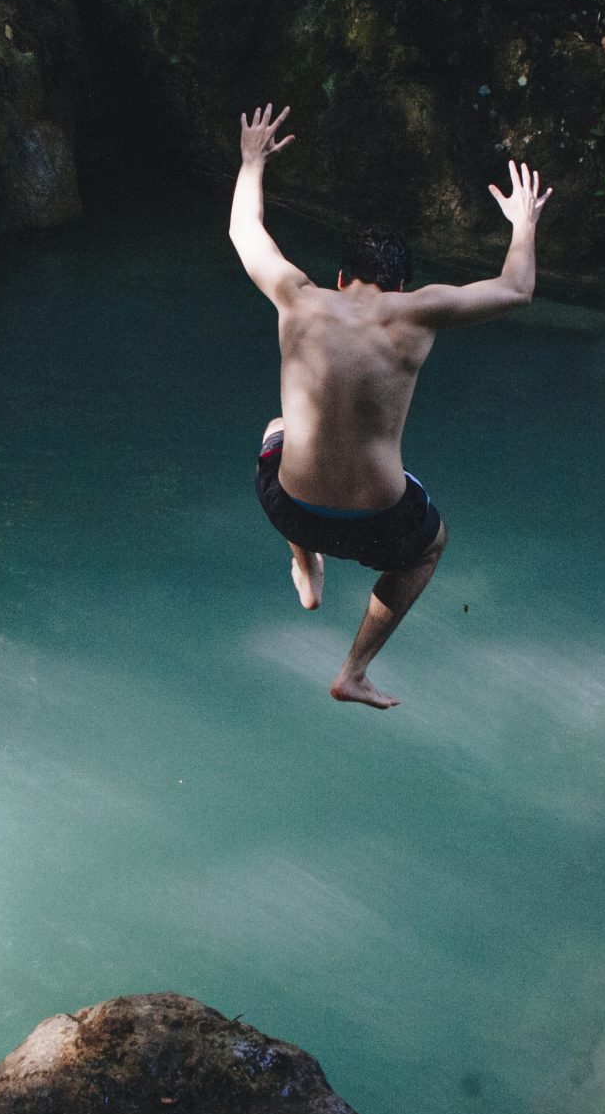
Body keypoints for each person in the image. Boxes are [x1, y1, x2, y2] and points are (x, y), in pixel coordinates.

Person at [232, 104, 551, 708]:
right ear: (401, 286)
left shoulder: (297, 297)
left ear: (341, 276)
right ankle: (352, 672)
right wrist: (522, 221)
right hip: (377, 520)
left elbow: (243, 232)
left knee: (278, 428)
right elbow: (518, 288)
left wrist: (253, 161)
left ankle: (305, 565)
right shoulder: (419, 311)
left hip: (288, 507)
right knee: (431, 545)